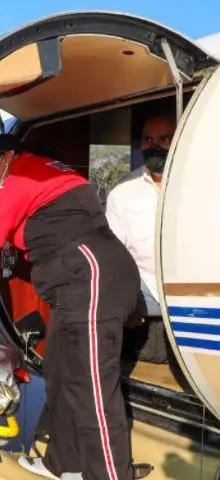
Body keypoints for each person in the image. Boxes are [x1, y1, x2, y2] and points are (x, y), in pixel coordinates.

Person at [0, 134, 140, 480]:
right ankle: (62, 462)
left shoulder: (26, 176)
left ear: (8, 157)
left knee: (91, 379)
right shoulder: (20, 182)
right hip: (72, 286)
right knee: (60, 373)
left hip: (92, 277)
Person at [106, 113, 177, 365]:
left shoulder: (202, 182)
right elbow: (113, 257)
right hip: (145, 297)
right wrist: (126, 304)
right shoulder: (123, 192)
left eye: (164, 138)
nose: (155, 146)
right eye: (148, 139)